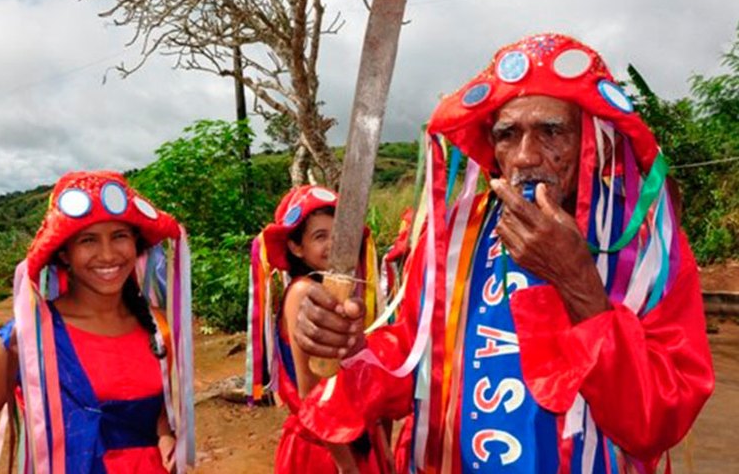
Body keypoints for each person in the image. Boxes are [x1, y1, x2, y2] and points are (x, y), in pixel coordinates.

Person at [292, 33, 715, 473]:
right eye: (507, 134)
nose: (526, 157)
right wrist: (354, 350)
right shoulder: (453, 234)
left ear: (590, 137)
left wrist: (579, 285)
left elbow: (660, 420)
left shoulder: (643, 246)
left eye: (552, 131)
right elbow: (415, 361)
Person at [0, 170, 195, 474]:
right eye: (88, 240)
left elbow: (151, 412)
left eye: (119, 236)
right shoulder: (28, 339)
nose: (107, 254)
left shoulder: (157, 329)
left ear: (136, 243)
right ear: (64, 253)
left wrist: (164, 436)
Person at [245, 185, 390, 473]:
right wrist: (346, 465)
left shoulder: (337, 290)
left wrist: (381, 443)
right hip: (326, 450)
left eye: (340, 234)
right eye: (320, 236)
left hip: (353, 439)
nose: (334, 243)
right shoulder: (304, 292)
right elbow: (310, 391)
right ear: (296, 247)